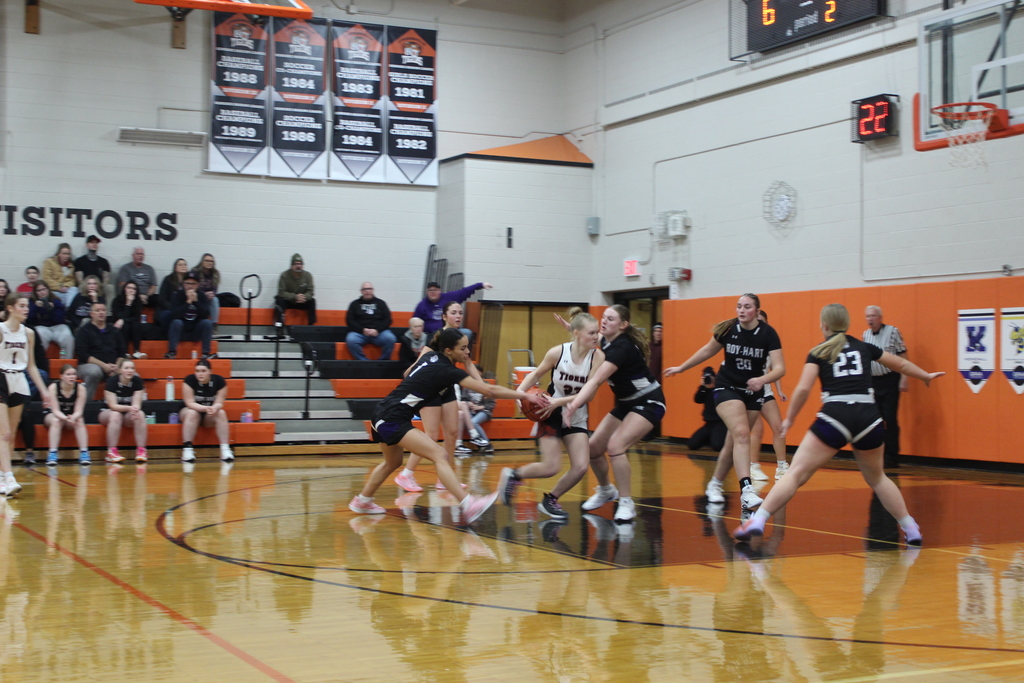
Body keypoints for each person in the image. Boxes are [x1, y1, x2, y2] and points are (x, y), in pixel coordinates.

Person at [733, 303, 944, 545]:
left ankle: (758, 520)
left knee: (795, 474)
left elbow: (802, 389)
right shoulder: (865, 347)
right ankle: (910, 527)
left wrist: (790, 418)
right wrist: (925, 375)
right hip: (869, 416)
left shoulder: (819, 351)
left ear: (824, 324)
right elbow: (901, 364)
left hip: (836, 415)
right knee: (878, 478)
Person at [349, 328, 547, 522]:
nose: (467, 352)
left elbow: (408, 372)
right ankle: (468, 504)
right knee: (439, 454)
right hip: (392, 417)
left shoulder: (431, 357)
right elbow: (489, 391)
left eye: (468, 347)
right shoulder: (447, 370)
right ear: (449, 351)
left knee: (392, 462)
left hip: (383, 413)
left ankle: (362, 501)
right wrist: (523, 394)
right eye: (463, 348)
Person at [664, 293, 785, 510]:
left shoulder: (768, 334)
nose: (741, 310)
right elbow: (706, 351)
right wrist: (681, 367)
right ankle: (746, 490)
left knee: (733, 443)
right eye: (738, 306)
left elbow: (780, 369)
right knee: (741, 433)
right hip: (726, 387)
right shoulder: (729, 329)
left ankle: (715, 483)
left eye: (747, 307)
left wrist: (762, 380)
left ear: (757, 312)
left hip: (752, 391)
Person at [498, 308, 605, 520]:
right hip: (550, 413)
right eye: (591, 333)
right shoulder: (558, 352)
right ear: (576, 333)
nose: (596, 337)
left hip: (576, 414)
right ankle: (513, 475)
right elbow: (536, 374)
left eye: (597, 332)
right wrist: (520, 395)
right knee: (550, 467)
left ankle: (551, 499)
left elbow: (589, 395)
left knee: (581, 466)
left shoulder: (598, 357)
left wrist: (560, 401)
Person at [563, 304, 666, 523]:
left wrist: (574, 405)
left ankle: (627, 502)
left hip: (650, 402)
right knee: (592, 449)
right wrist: (573, 329)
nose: (604, 321)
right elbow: (594, 337)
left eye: (610, 319)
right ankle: (606, 490)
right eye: (604, 317)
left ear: (623, 325)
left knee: (616, 446)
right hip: (627, 403)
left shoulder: (621, 348)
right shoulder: (608, 341)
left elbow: (597, 380)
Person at [394, 301, 484, 492]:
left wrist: (483, 387)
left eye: (460, 312)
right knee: (432, 435)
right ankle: (406, 474)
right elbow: (414, 367)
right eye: (453, 312)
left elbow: (468, 364)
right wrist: (410, 379)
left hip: (447, 388)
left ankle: (445, 479)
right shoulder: (437, 339)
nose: (458, 316)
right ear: (444, 316)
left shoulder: (462, 338)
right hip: (430, 390)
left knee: (452, 432)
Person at [0, 293, 52, 496]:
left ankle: (3, 476)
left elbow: (31, 365)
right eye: (22, 305)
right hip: (1, 377)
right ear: (10, 308)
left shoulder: (29, 333)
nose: (26, 309)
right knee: (3, 433)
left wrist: (44, 390)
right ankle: (10, 477)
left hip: (19, 379)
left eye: (27, 306)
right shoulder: (1, 330)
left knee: (11, 434)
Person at [863, 305, 909, 469]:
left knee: (890, 418)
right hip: (874, 382)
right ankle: (879, 455)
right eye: (868, 316)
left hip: (890, 379)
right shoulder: (866, 334)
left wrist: (904, 377)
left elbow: (903, 353)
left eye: (873, 316)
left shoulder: (893, 331)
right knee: (876, 420)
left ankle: (892, 456)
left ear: (880, 317)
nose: (870, 319)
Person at [179, 358, 234, 464]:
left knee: (221, 412)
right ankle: (187, 450)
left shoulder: (219, 381)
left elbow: (219, 402)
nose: (200, 374)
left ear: (210, 372)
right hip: (190, 411)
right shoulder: (189, 380)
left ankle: (225, 449)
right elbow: (189, 403)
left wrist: (215, 408)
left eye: (203, 371)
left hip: (209, 415)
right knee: (192, 413)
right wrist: (205, 408)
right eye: (197, 371)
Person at [74, 301, 127, 399]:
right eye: (97, 310)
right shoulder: (84, 331)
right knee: (95, 371)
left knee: (130, 372)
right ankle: (87, 405)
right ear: (91, 314)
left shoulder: (114, 331)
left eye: (103, 310)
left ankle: (124, 405)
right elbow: (82, 354)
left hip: (113, 366)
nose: (101, 313)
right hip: (88, 366)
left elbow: (122, 352)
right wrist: (104, 366)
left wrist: (117, 366)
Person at [98, 358, 148, 463]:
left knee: (140, 414)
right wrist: (130, 408)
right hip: (108, 413)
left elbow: (137, 403)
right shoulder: (112, 381)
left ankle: (141, 451)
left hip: (127, 415)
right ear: (120, 370)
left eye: (132, 368)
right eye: (126, 368)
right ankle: (111, 452)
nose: (130, 370)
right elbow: (113, 406)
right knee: (116, 415)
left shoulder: (137, 381)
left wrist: (135, 410)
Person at [43, 364, 90, 465]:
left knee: (79, 419)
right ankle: (52, 454)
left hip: (71, 416)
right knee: (56, 421)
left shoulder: (80, 388)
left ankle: (84, 453)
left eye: (73, 374)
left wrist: (73, 417)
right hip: (53, 415)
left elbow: (79, 411)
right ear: (61, 376)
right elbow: (55, 411)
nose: (72, 377)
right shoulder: (53, 387)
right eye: (68, 374)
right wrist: (65, 418)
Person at [164, 272, 215, 360]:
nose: (190, 286)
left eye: (193, 284)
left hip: (195, 331)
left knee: (207, 322)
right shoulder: (178, 295)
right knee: (176, 322)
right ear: (183, 284)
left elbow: (205, 315)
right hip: (181, 331)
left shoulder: (201, 296)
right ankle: (172, 352)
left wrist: (195, 301)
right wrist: (188, 301)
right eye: (188, 283)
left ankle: (206, 353)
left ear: (198, 285)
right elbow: (175, 315)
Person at [413, 281, 492, 337]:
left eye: (435, 290)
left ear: (439, 291)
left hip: (450, 332)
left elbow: (464, 292)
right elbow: (415, 322)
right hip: (430, 335)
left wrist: (481, 285)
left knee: (467, 333)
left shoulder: (449, 297)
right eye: (430, 290)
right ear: (427, 292)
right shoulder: (421, 305)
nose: (433, 292)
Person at [345, 282, 396, 360]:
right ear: (361, 291)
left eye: (369, 289)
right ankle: (364, 362)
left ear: (373, 290)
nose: (367, 291)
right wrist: (362, 330)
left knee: (390, 338)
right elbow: (349, 321)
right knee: (351, 339)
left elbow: (388, 320)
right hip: (360, 333)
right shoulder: (354, 304)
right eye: (365, 289)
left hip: (379, 333)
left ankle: (382, 362)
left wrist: (377, 330)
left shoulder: (381, 303)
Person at [28, 282, 75, 359]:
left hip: (58, 326)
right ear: (35, 292)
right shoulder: (32, 302)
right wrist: (36, 308)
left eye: (44, 289)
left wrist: (52, 310)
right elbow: (29, 320)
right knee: (39, 337)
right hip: (41, 327)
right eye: (39, 291)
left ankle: (67, 362)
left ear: (48, 290)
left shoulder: (56, 300)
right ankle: (40, 363)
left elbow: (61, 319)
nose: (42, 292)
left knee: (68, 337)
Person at [688, 366, 727, 452]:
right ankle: (711, 438)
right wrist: (703, 387)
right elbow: (697, 400)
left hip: (720, 423)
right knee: (692, 445)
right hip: (709, 424)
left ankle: (718, 437)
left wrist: (714, 386)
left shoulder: (719, 388)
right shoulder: (704, 390)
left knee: (718, 447)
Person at [275, 253, 316, 326]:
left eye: (300, 264)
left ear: (302, 265)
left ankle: (311, 325)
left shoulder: (307, 275)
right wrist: (295, 296)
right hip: (289, 301)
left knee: (312, 301)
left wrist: (304, 297)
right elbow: (281, 292)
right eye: (296, 264)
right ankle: (279, 326)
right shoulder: (284, 275)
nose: (298, 266)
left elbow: (310, 291)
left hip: (302, 301)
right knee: (279, 301)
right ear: (291, 266)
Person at [111, 281, 147, 359]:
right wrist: (128, 303)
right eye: (129, 288)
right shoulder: (117, 300)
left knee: (136, 324)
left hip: (132, 325)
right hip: (119, 326)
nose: (131, 290)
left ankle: (137, 351)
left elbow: (136, 317)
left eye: (134, 289)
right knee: (126, 326)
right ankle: (125, 352)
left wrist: (124, 320)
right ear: (124, 289)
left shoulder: (138, 301)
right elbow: (118, 316)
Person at [73, 235, 113, 300]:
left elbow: (106, 279)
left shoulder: (104, 261)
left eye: (96, 243)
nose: (94, 244)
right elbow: (79, 280)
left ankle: (109, 309)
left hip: (99, 286)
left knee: (110, 287)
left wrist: (97, 286)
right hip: (86, 286)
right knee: (81, 286)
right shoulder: (79, 261)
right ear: (87, 245)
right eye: (92, 242)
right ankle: (82, 308)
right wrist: (90, 286)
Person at [42, 242, 79, 307]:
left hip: (66, 291)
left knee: (74, 289)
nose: (66, 256)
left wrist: (66, 287)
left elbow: (73, 280)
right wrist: (59, 287)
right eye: (64, 253)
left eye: (68, 254)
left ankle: (69, 310)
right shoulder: (49, 262)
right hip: (53, 291)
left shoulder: (71, 265)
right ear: (58, 254)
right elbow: (46, 279)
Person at [158, 258, 189, 328]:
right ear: (175, 268)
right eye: (180, 265)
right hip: (168, 309)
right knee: (169, 315)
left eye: (185, 265)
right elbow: (162, 299)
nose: (183, 266)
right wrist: (173, 308)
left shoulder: (190, 282)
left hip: (183, 310)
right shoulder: (168, 280)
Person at [194, 253, 221, 327]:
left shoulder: (215, 273)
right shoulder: (195, 272)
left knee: (215, 300)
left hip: (209, 298)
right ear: (202, 261)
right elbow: (193, 288)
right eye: (207, 260)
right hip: (196, 297)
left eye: (211, 261)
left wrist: (211, 294)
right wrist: (204, 294)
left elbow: (215, 290)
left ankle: (214, 325)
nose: (209, 263)